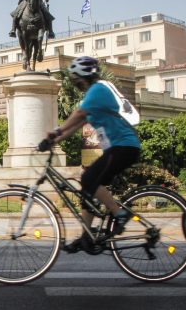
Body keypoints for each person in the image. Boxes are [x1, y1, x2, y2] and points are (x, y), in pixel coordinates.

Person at [41, 56, 141, 253]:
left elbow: (78, 114)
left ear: (82, 76)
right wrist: (53, 141)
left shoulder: (97, 90)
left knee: (88, 178)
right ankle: (86, 236)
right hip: (118, 148)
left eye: (75, 77)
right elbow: (76, 125)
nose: (74, 81)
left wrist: (57, 132)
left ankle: (119, 213)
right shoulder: (92, 95)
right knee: (88, 190)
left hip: (123, 146)